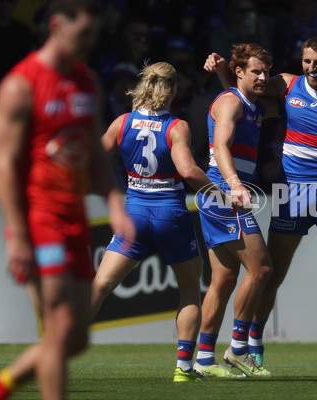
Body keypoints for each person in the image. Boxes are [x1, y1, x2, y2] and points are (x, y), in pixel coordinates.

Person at [204, 35, 317, 379]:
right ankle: (254, 347)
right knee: (271, 275)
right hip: (292, 193)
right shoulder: (287, 84)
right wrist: (221, 72)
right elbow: (244, 93)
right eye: (306, 61)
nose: (311, 68)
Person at [0, 1, 135, 399]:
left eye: (94, 36)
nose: (90, 43)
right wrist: (17, 233)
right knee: (59, 325)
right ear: (56, 25)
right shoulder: (21, 85)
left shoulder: (86, 82)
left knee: (75, 338)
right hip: (37, 219)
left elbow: (94, 154)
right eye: (83, 34)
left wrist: (115, 204)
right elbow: (1, 166)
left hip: (74, 220)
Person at [89, 61, 231, 383]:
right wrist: (220, 193)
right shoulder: (176, 126)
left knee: (101, 286)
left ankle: (57, 348)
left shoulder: (122, 122)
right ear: (173, 89)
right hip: (171, 215)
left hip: (134, 215)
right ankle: (183, 368)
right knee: (190, 291)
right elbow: (188, 171)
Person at [194, 43, 275, 379]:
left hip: (220, 195)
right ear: (240, 72)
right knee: (262, 268)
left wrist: (224, 70)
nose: (263, 77)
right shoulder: (230, 102)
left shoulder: (244, 102)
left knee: (224, 279)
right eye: (256, 71)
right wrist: (234, 184)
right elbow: (221, 146)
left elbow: (234, 88)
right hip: (225, 194)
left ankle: (202, 358)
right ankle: (238, 349)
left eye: (266, 72)